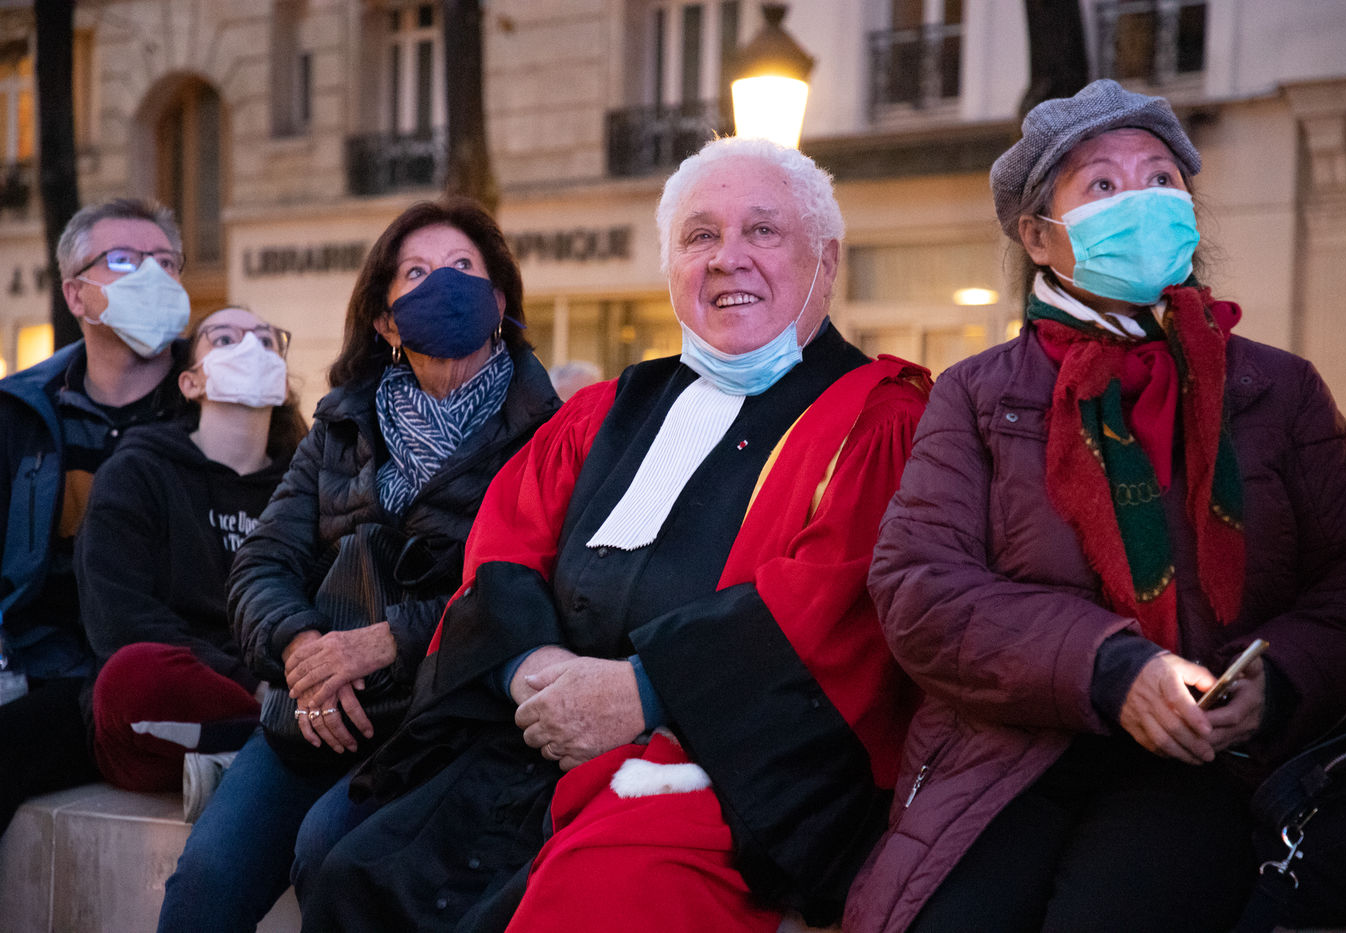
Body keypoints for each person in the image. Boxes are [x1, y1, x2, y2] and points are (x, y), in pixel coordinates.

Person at [301, 136, 931, 933]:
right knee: (360, 876)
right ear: (671, 266)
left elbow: (834, 606)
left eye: (762, 230)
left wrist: (646, 689)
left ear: (826, 260)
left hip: (719, 770)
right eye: (700, 236)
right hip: (536, 742)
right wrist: (528, 665)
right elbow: (504, 543)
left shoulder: (876, 419)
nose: (727, 258)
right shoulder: (605, 409)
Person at [847, 79, 1346, 933]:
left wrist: (1276, 679)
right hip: (1006, 756)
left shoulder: (1280, 390)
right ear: (1039, 236)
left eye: (1162, 178)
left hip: (1207, 766)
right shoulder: (976, 395)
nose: (1142, 200)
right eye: (1102, 183)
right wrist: (1107, 666)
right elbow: (919, 588)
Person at [157, 198, 560, 933]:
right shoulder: (340, 425)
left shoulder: (547, 434)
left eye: (463, 267)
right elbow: (262, 562)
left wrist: (382, 643)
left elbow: (524, 593)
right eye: (417, 273)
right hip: (312, 711)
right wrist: (302, 648)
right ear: (385, 320)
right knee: (206, 880)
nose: (445, 284)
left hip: (438, 726)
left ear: (500, 302)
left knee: (331, 851)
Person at [0, 197, 190, 833]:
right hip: (34, 660)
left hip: (147, 671)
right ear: (75, 295)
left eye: (166, 261)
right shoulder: (21, 413)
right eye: (124, 260)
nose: (153, 275)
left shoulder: (217, 411)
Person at [76, 306, 306, 800]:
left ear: (284, 384)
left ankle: (247, 757)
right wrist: (256, 688)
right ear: (190, 383)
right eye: (224, 339)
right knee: (129, 681)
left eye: (266, 340)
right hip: (189, 692)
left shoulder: (310, 486)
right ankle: (284, 745)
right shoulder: (137, 472)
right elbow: (119, 619)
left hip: (286, 686)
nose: (249, 348)